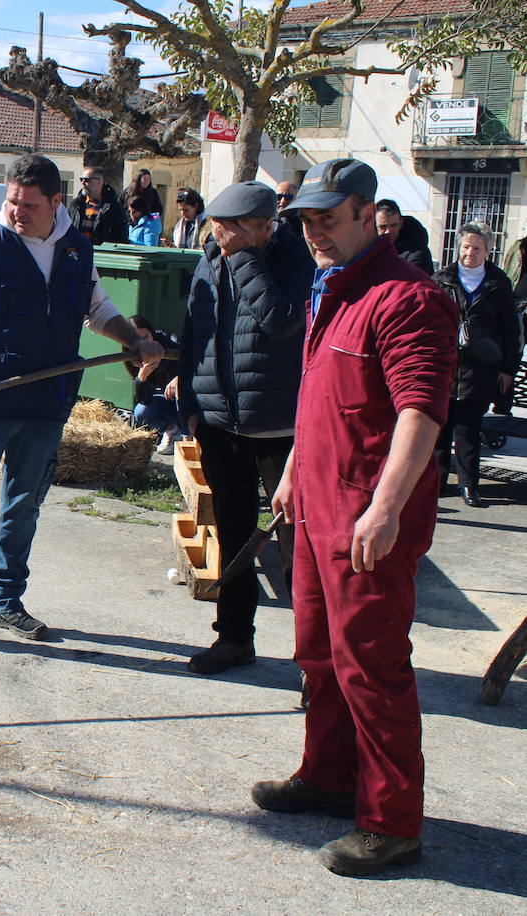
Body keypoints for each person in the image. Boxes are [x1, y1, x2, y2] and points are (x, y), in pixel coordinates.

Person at [255, 158, 457, 877]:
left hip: (366, 522)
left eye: (328, 220)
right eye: (307, 221)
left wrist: (387, 505)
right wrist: (290, 471)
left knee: (372, 667)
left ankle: (392, 821)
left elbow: (421, 412)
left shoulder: (409, 298)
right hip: (315, 508)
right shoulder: (332, 288)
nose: (315, 234)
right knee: (318, 655)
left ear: (372, 214)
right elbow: (324, 397)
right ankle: (329, 776)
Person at [0, 154, 162, 656]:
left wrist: (132, 339)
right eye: (12, 201)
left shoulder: (78, 249)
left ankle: (6, 600)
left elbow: (98, 309)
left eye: (28, 204)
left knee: (23, 508)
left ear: (57, 201)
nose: (17, 212)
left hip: (46, 405)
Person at [176, 180, 314, 675]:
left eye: (231, 226)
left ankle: (312, 659)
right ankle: (234, 639)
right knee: (233, 536)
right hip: (220, 425)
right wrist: (191, 405)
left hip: (281, 430)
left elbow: (281, 321)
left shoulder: (295, 257)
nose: (219, 233)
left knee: (300, 545)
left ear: (262, 227)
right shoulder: (208, 257)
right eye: (216, 223)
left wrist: (244, 260)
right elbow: (195, 331)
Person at [430, 223, 521, 507]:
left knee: (468, 429)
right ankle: (437, 483)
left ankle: (469, 485)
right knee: (439, 430)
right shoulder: (441, 279)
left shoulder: (498, 283)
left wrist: (508, 369)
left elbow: (511, 331)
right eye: (466, 247)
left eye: (477, 248)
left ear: (488, 250)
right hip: (444, 365)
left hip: (479, 368)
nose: (470, 253)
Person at [123, 315, 180, 454]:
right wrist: (142, 377)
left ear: (152, 334)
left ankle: (187, 436)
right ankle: (170, 430)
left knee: (182, 391)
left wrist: (180, 378)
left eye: (146, 336)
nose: (142, 343)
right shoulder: (130, 356)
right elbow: (143, 399)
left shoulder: (172, 344)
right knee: (141, 412)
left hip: (185, 401)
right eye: (136, 339)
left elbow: (196, 368)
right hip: (164, 401)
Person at [68, 165, 128, 245]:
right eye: (81, 179)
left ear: (99, 182)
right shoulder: (75, 205)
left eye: (87, 180)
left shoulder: (114, 208)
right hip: (78, 254)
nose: (83, 183)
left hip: (101, 255)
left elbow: (121, 238)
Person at [374, 200, 434, 275]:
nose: (388, 231)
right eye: (383, 227)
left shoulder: (418, 253)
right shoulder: (368, 248)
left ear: (401, 223)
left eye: (394, 225)